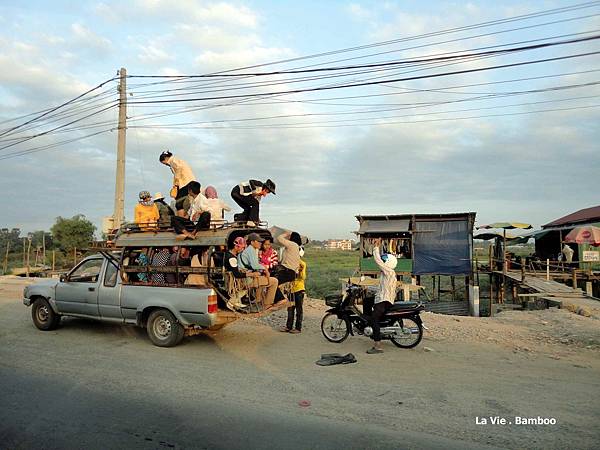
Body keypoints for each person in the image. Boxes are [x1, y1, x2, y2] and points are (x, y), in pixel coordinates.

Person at [367, 238, 398, 355]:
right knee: (367, 301)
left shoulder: (389, 272)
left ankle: (377, 345)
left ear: (388, 263)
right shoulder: (388, 274)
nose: (383, 261)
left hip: (383, 301)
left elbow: (378, 261)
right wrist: (368, 289)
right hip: (384, 299)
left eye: (385, 260)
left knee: (374, 319)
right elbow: (382, 288)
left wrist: (376, 248)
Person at [238, 233, 279, 308]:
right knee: (274, 281)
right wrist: (266, 269)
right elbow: (255, 265)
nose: (260, 243)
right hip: (247, 280)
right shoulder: (251, 250)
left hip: (244, 278)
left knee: (261, 278)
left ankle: (258, 299)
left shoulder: (248, 250)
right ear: (252, 242)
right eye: (258, 241)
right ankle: (268, 303)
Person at [159, 150, 198, 216]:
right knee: (188, 202)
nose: (166, 165)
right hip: (190, 182)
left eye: (164, 163)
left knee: (179, 203)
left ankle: (181, 220)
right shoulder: (177, 159)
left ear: (165, 159)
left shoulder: (172, 160)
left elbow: (179, 168)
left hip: (185, 183)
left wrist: (176, 182)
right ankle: (185, 218)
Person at [272, 231, 302, 302]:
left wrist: (286, 233)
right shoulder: (294, 247)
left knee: (273, 282)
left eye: (289, 237)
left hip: (288, 272)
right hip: (290, 272)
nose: (287, 238)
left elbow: (279, 238)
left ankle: (280, 299)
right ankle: (277, 299)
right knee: (273, 280)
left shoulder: (292, 244)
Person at [281, 257, 306, 333]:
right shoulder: (289, 263)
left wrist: (301, 270)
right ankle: (288, 327)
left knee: (299, 310)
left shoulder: (302, 264)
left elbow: (303, 277)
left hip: (299, 289)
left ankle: (298, 328)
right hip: (290, 290)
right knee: (290, 309)